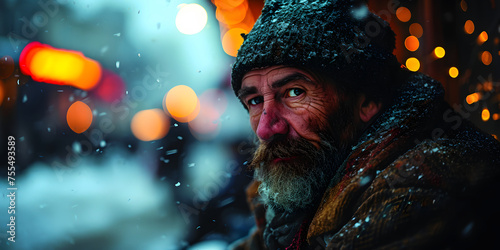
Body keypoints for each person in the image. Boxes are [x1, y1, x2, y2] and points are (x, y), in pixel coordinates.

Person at [228, 0, 500, 249]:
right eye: (254, 101)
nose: (266, 128)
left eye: (295, 92)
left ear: (368, 100)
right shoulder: (315, 175)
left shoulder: (417, 189)